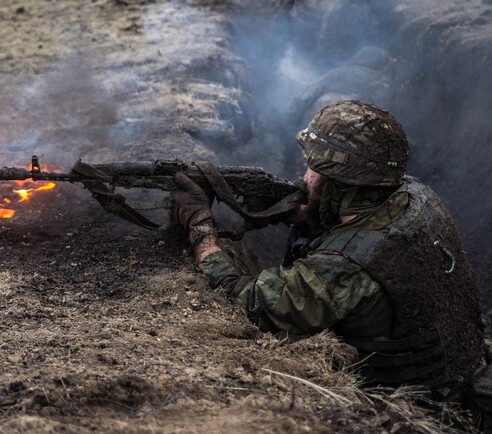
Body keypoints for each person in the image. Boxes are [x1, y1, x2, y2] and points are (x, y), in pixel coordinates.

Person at [171, 100, 485, 403]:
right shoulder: (413, 194)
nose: (304, 176)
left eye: (312, 168)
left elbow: (247, 301)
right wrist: (281, 209)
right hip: (462, 365)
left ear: (341, 185)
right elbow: (343, 219)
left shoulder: (343, 270)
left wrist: (201, 229)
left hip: (410, 401)